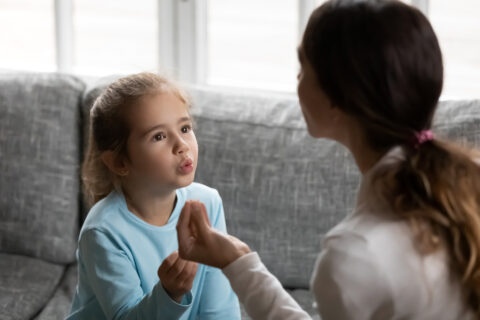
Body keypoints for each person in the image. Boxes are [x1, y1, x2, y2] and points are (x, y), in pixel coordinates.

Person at [175, 1, 480, 319]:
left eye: (303, 66)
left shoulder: (355, 254)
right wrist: (237, 261)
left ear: (337, 99)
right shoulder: (467, 180)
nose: (297, 77)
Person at [67, 72, 240, 319]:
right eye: (159, 136)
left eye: (185, 128)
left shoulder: (207, 204)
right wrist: (169, 295)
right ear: (119, 162)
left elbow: (220, 309)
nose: (182, 144)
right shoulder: (103, 231)